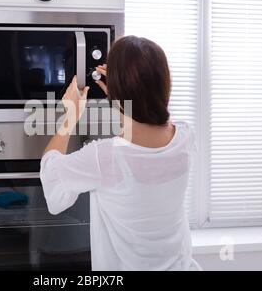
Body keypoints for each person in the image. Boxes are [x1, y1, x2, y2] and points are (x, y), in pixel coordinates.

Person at [40, 36, 200, 271]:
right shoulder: (185, 136)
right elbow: (154, 115)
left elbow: (51, 173)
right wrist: (120, 93)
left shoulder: (104, 157)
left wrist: (71, 116)